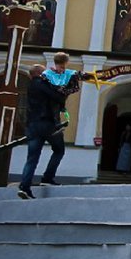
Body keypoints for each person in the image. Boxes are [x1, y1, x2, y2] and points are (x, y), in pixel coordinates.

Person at [17, 56, 83, 197]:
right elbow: (58, 97)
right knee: (59, 150)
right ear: (41, 74)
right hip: (48, 124)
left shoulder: (31, 86)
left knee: (32, 158)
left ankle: (24, 187)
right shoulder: (44, 84)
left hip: (32, 125)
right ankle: (47, 178)